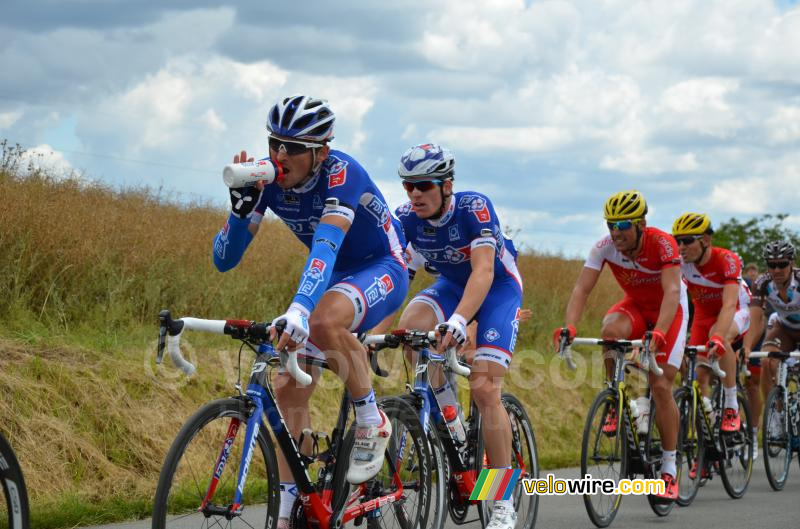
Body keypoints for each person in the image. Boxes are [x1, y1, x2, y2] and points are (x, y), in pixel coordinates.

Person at [212, 95, 409, 527]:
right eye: (274, 144)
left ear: (320, 152)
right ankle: (290, 503)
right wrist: (239, 212)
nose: (280, 156)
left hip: (381, 266)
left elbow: (326, 245)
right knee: (287, 388)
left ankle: (372, 420)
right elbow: (224, 260)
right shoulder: (267, 182)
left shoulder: (342, 172)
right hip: (333, 277)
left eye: (293, 148)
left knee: (322, 321)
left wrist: (300, 310)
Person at [393, 143, 524, 529]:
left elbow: (483, 272)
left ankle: (501, 499)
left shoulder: (474, 208)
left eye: (424, 186)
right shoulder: (406, 218)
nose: (415, 194)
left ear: (446, 185)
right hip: (451, 286)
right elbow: (399, 277)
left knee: (485, 391)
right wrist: (371, 332)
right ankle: (446, 416)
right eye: (408, 187)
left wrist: (459, 319)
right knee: (411, 323)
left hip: (498, 290)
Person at [555, 190, 687, 501]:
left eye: (624, 224)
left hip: (671, 311)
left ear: (641, 223)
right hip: (637, 307)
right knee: (610, 329)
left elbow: (671, 293)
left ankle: (669, 467)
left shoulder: (663, 244)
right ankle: (614, 397)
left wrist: (660, 334)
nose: (616, 232)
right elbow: (581, 289)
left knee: (660, 385)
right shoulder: (603, 248)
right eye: (611, 224)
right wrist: (570, 326)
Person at [671, 213, 750, 442]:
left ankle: (731, 405)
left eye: (687, 240)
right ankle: (705, 434)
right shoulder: (681, 263)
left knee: (720, 336)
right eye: (678, 241)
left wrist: (716, 336)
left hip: (735, 311)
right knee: (699, 375)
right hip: (703, 317)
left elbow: (728, 305)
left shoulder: (727, 259)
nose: (681, 246)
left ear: (705, 239)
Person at [743, 240, 800, 438]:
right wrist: (747, 347)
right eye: (771, 264)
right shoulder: (762, 283)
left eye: (782, 264)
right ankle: (775, 415)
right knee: (767, 360)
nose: (777, 269)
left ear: (791, 263)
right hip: (784, 328)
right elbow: (756, 317)